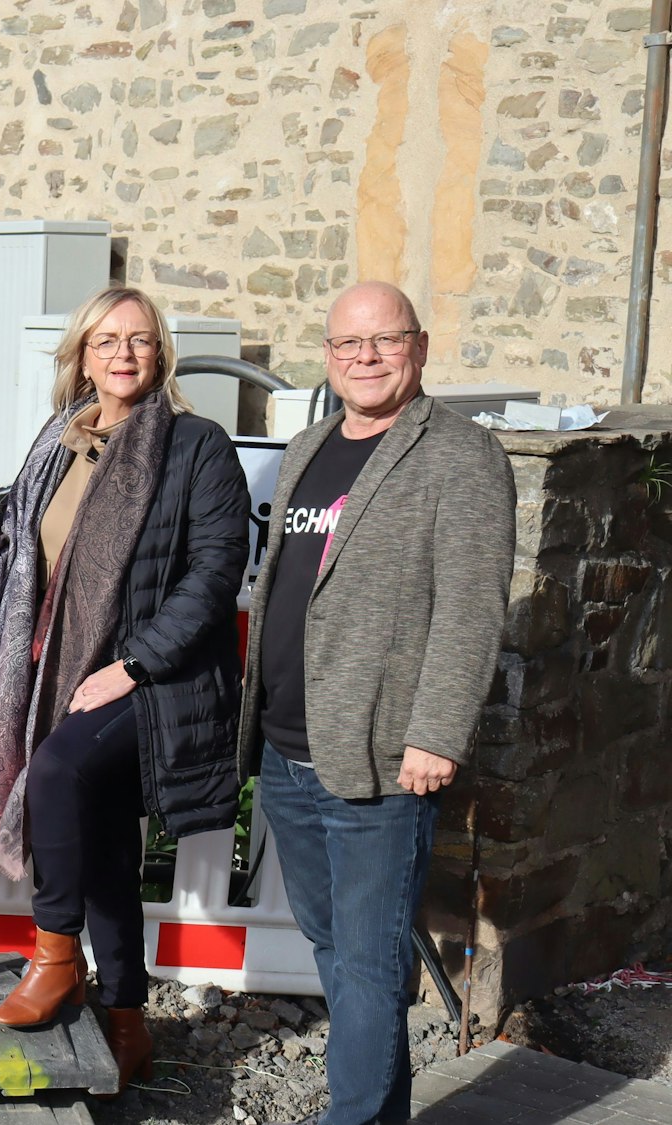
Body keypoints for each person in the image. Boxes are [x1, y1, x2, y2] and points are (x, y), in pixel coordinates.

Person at [241, 281, 514, 1125]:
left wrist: (437, 734)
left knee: (365, 961)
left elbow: (471, 609)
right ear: (328, 356)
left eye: (385, 340)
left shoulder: (460, 456)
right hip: (288, 749)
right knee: (339, 948)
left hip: (382, 756)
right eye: (348, 344)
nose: (366, 357)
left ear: (419, 348)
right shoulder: (311, 444)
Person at [0, 286, 249, 1093]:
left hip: (156, 680)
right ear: (82, 357)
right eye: (106, 341)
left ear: (161, 354)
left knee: (57, 772)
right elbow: (30, 537)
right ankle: (128, 1023)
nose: (123, 354)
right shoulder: (56, 444)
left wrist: (133, 665)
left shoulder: (196, 445)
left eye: (140, 339)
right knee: (107, 850)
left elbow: (215, 573)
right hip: (63, 670)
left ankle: (55, 954)